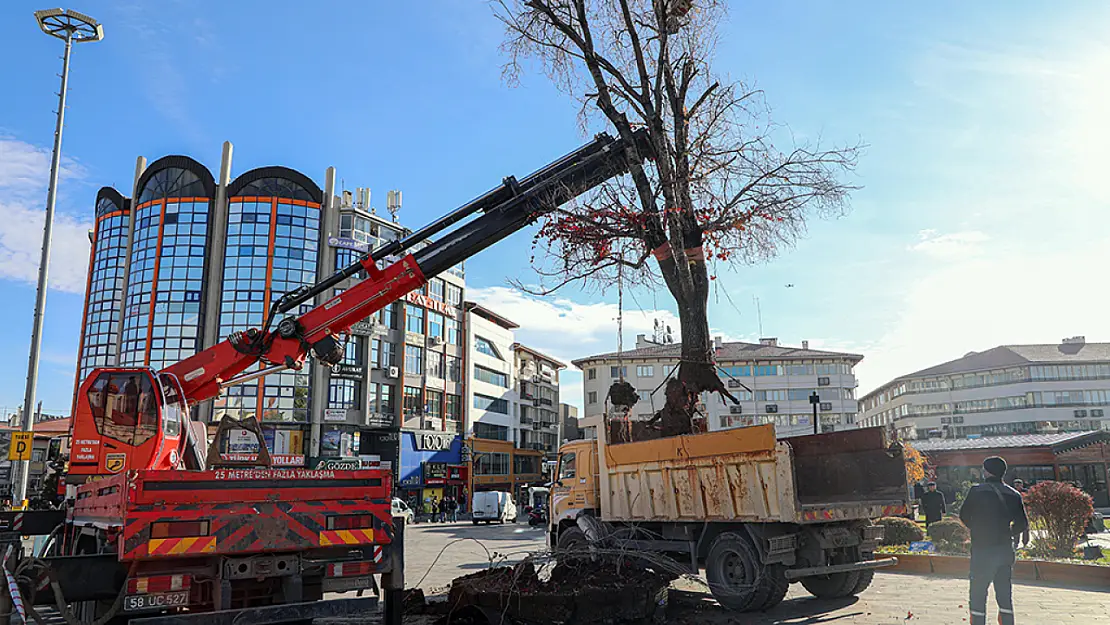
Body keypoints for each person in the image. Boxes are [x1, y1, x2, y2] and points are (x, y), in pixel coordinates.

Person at [959, 456, 1028, 625]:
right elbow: (1022, 523)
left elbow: (964, 515)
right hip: (1005, 549)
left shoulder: (976, 491)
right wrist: (1007, 532)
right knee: (1004, 593)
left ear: (987, 471)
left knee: (978, 592)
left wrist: (978, 529)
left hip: (983, 549)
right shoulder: (1014, 494)